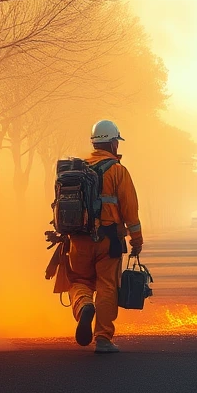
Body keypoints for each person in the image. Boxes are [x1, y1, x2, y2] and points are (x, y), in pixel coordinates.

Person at [63, 119, 143, 354]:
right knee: (107, 286)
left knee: (79, 282)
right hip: (108, 241)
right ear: (113, 143)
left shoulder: (76, 170)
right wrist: (136, 240)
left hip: (78, 239)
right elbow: (131, 210)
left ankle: (84, 305)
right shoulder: (118, 171)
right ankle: (103, 339)